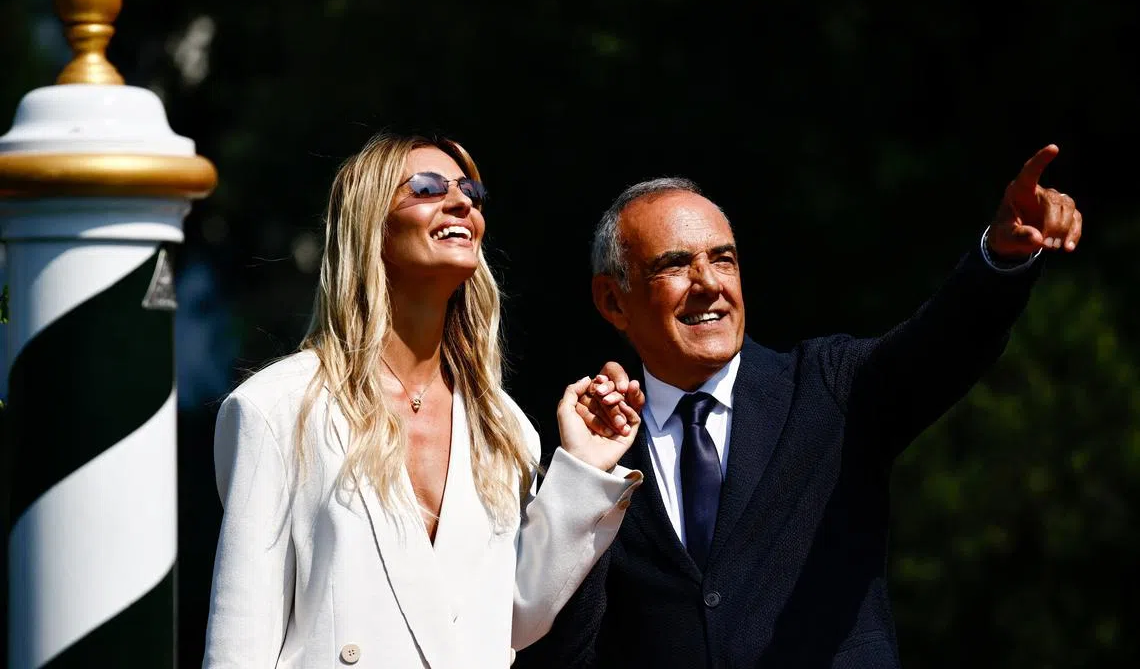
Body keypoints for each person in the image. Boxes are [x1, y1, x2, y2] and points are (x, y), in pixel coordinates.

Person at [515, 144, 1082, 668]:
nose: (708, 283)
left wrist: (1003, 258)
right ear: (613, 299)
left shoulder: (825, 389)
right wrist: (587, 476)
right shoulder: (592, 450)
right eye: (675, 264)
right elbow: (558, 650)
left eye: (724, 259)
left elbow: (941, 345)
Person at [202, 132, 644, 669]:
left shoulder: (502, 426)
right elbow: (239, 643)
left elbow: (512, 620)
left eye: (471, 192)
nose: (461, 202)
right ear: (370, 224)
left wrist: (584, 468)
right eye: (428, 188)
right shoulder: (277, 410)